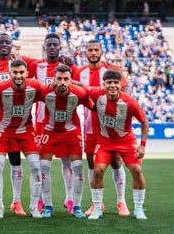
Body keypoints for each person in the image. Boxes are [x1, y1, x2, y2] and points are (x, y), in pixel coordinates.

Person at [0, 33, 37, 216]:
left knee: (15, 160)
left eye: (7, 43)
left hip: (17, 124)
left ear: (12, 45)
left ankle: (16, 201)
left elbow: (47, 65)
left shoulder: (22, 61)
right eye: (1, 42)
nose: (4, 45)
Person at [72, 40, 130, 217]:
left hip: (111, 127)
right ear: (85, 53)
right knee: (92, 165)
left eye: (96, 49)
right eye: (90, 50)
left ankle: (121, 202)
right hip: (89, 126)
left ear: (102, 51)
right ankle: (97, 203)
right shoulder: (79, 73)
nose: (93, 53)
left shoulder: (113, 71)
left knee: (116, 162)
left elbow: (124, 94)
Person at [86, 70, 149, 220]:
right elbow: (82, 87)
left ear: (121, 85)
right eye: (109, 83)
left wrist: (142, 145)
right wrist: (70, 82)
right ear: (104, 84)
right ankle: (97, 208)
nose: (112, 86)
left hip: (126, 141)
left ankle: (139, 209)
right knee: (98, 170)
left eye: (116, 83)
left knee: (137, 170)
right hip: (105, 141)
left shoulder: (130, 102)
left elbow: (144, 122)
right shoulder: (97, 95)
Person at [28, 33, 79, 214]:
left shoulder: (66, 67)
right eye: (48, 44)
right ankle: (42, 200)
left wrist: (72, 63)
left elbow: (78, 84)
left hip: (64, 122)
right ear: (44, 46)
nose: (52, 47)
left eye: (55, 45)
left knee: (68, 163)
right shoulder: (37, 65)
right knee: (42, 164)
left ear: (59, 47)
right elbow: (17, 62)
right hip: (42, 123)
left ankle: (70, 199)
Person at [37, 65, 93, 218]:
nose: (62, 82)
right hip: (50, 131)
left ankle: (77, 207)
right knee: (43, 167)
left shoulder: (79, 93)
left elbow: (94, 107)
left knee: (77, 168)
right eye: (59, 79)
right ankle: (48, 206)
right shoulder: (44, 91)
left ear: (71, 80)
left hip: (71, 131)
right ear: (54, 79)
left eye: (66, 79)